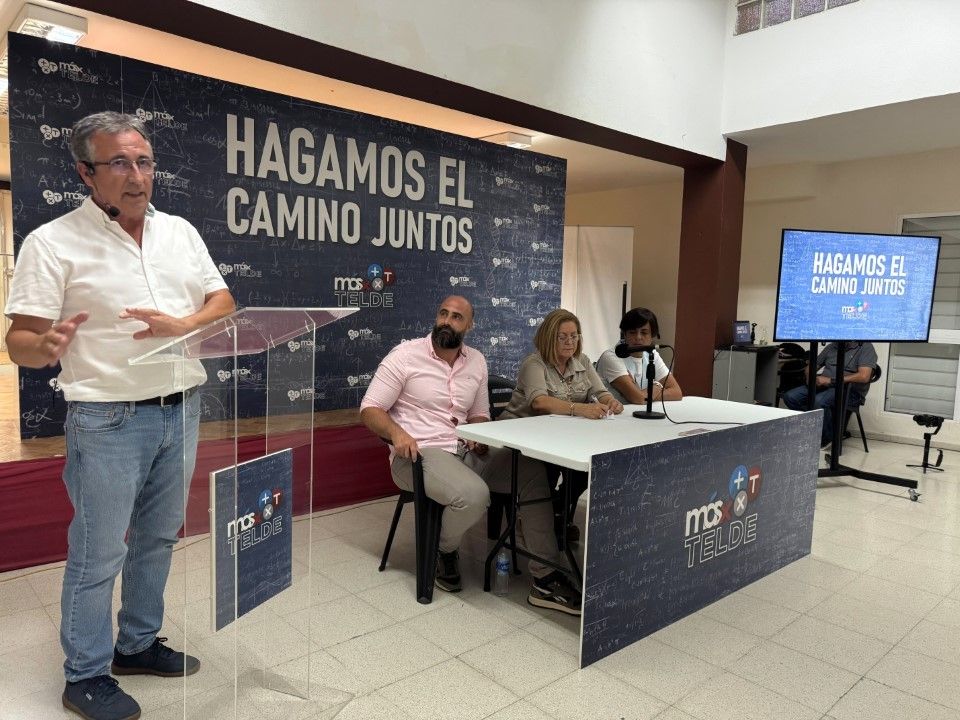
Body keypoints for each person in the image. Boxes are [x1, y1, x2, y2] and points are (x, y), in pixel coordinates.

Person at [4, 111, 235, 720]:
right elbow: (19, 340)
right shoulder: (51, 243)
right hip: (106, 420)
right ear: (85, 172)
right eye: (119, 164)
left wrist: (185, 325)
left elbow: (223, 300)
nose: (137, 177)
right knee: (99, 550)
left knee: (158, 538)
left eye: (145, 162)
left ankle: (136, 643)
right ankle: (84, 674)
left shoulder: (180, 231)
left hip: (180, 408)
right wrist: (42, 347)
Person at [486, 308, 623, 616]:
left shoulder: (583, 363)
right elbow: (540, 402)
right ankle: (546, 565)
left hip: (559, 442)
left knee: (591, 469)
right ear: (549, 337)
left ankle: (556, 517)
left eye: (574, 336)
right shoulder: (534, 364)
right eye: (563, 336)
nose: (570, 342)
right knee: (540, 475)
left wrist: (609, 402)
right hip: (516, 447)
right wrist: (579, 408)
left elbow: (600, 393)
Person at [360, 295, 492, 594]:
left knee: (526, 470)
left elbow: (480, 414)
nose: (447, 321)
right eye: (443, 313)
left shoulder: (477, 361)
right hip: (418, 455)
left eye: (456, 317)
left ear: (469, 326)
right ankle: (443, 549)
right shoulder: (405, 355)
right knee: (473, 495)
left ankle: (544, 571)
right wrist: (397, 434)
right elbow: (370, 409)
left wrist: (479, 434)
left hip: (465, 451)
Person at [781, 341, 877, 447]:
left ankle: (828, 439)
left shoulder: (865, 347)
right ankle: (814, 428)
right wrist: (810, 379)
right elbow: (812, 366)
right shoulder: (832, 346)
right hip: (825, 386)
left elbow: (864, 376)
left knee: (818, 401)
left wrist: (830, 381)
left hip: (849, 391)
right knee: (790, 397)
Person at [596, 307, 683, 405]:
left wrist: (645, 395)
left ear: (652, 335)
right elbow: (639, 399)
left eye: (644, 333)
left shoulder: (651, 353)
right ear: (624, 334)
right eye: (632, 332)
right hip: (612, 417)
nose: (638, 337)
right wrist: (657, 386)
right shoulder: (611, 356)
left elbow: (677, 392)